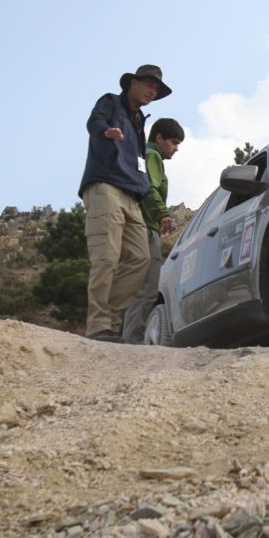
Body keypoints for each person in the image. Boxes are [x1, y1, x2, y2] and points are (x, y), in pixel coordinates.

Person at [78, 64, 172, 343]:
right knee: (106, 256)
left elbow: (139, 164)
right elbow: (94, 122)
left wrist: (151, 202)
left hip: (133, 194)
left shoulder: (140, 121)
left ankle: (108, 319)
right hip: (105, 185)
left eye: (156, 89)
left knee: (140, 259)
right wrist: (106, 132)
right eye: (148, 85)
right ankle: (98, 325)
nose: (152, 91)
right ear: (131, 84)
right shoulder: (111, 103)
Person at [122, 118, 185, 343]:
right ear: (159, 138)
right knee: (147, 289)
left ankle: (129, 339)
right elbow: (149, 186)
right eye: (174, 142)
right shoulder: (153, 156)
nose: (176, 149)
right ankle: (133, 342)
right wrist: (163, 214)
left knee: (137, 288)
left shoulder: (144, 155)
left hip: (138, 225)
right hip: (145, 226)